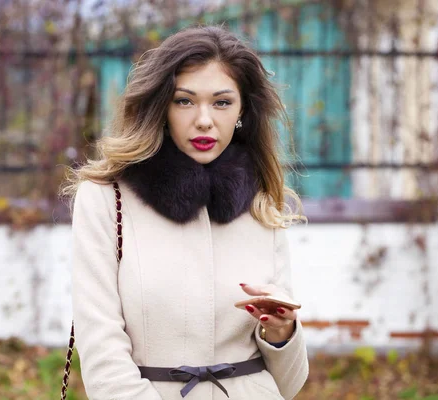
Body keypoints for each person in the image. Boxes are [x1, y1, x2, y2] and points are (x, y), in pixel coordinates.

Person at [62, 25, 309, 400]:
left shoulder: (262, 203)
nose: (205, 120)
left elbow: (288, 384)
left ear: (243, 111)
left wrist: (281, 333)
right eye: (184, 101)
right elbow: (102, 355)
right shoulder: (104, 199)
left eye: (222, 102)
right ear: (160, 107)